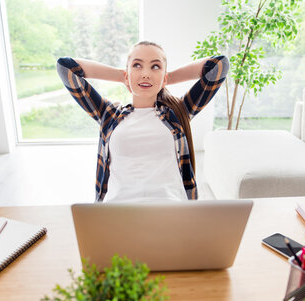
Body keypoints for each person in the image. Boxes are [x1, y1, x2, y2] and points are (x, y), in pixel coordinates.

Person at [57, 41, 228, 202]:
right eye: (137, 65)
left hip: (171, 210)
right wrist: (124, 77)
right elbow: (66, 67)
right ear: (127, 73)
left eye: (155, 66)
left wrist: (163, 79)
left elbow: (218, 66)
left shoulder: (178, 112)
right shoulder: (109, 115)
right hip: (117, 212)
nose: (145, 73)